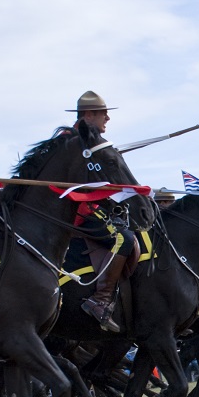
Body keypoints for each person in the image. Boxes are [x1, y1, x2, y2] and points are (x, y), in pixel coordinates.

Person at [67, 91, 134, 333]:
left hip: (89, 207)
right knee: (123, 239)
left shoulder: (87, 142)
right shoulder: (72, 141)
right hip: (76, 210)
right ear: (88, 115)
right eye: (102, 113)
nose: (107, 118)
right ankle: (101, 299)